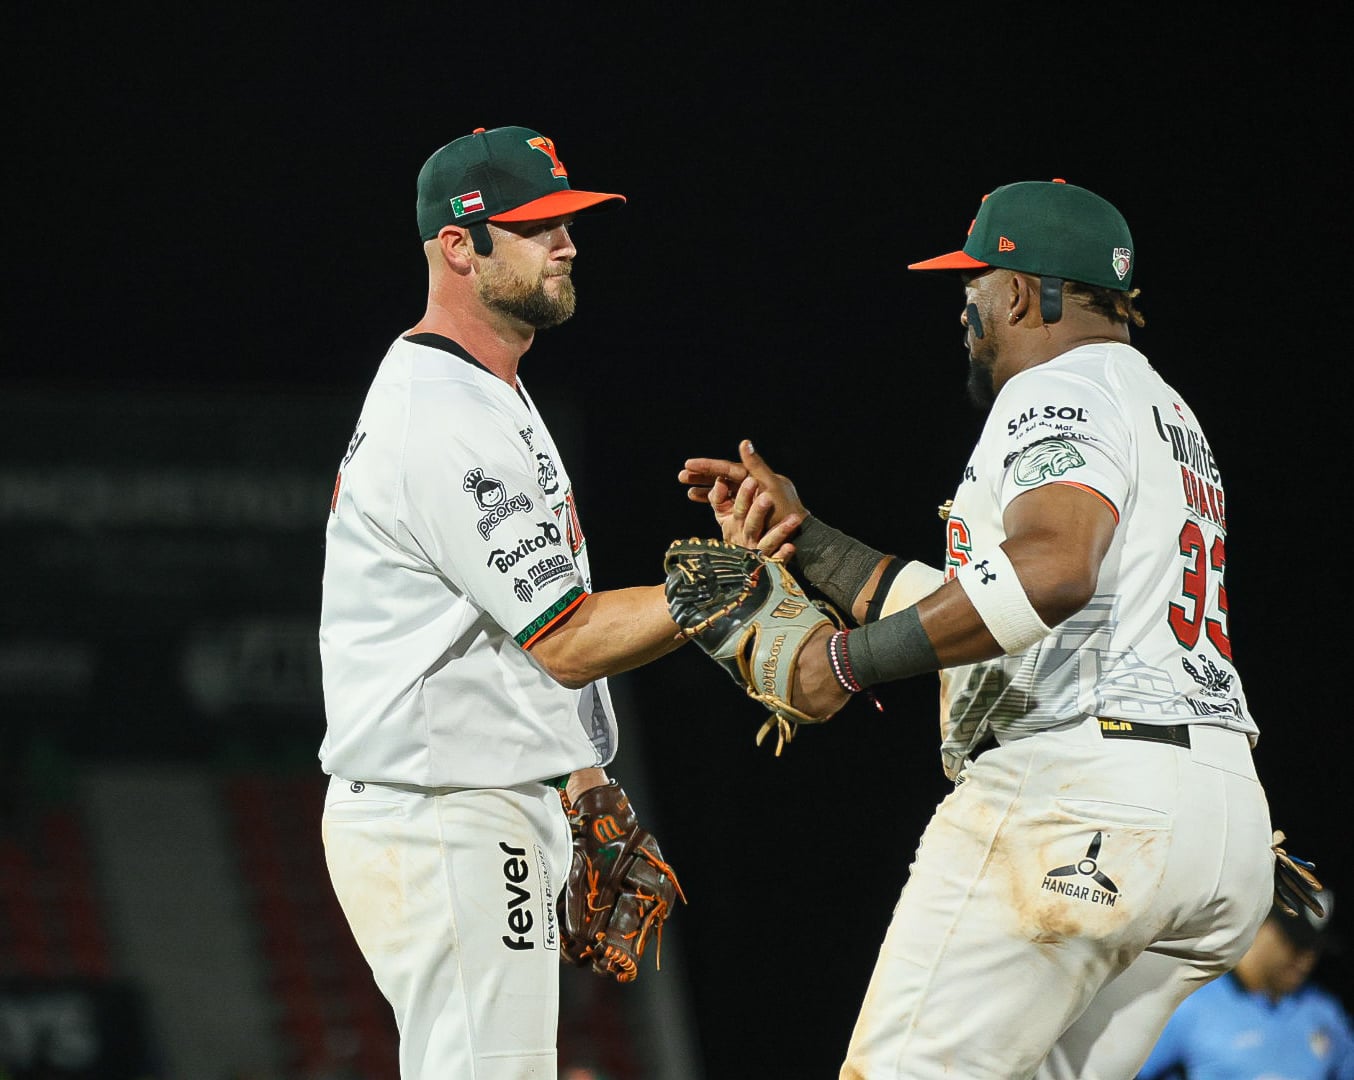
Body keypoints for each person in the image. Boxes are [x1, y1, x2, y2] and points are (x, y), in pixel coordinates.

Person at [679, 179, 1279, 1079]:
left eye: (972, 288)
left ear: (1015, 291)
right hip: (1217, 822)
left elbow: (1049, 572)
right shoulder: (1164, 410)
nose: (964, 311)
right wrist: (808, 541)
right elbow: (1006, 614)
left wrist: (839, 663)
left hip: (1084, 796)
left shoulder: (1059, 390)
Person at [317, 125, 687, 1079]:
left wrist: (581, 779)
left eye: (566, 221)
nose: (566, 243)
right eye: (534, 227)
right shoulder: (444, 416)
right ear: (457, 247)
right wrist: (718, 595)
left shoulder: (483, 389)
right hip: (442, 811)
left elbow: (500, 642)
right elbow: (565, 641)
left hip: (465, 802)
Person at [1138, 891, 1353, 1079]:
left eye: (1315, 949)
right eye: (1297, 943)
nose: (1306, 960)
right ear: (1263, 925)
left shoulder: (1324, 1013)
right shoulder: (1191, 1002)